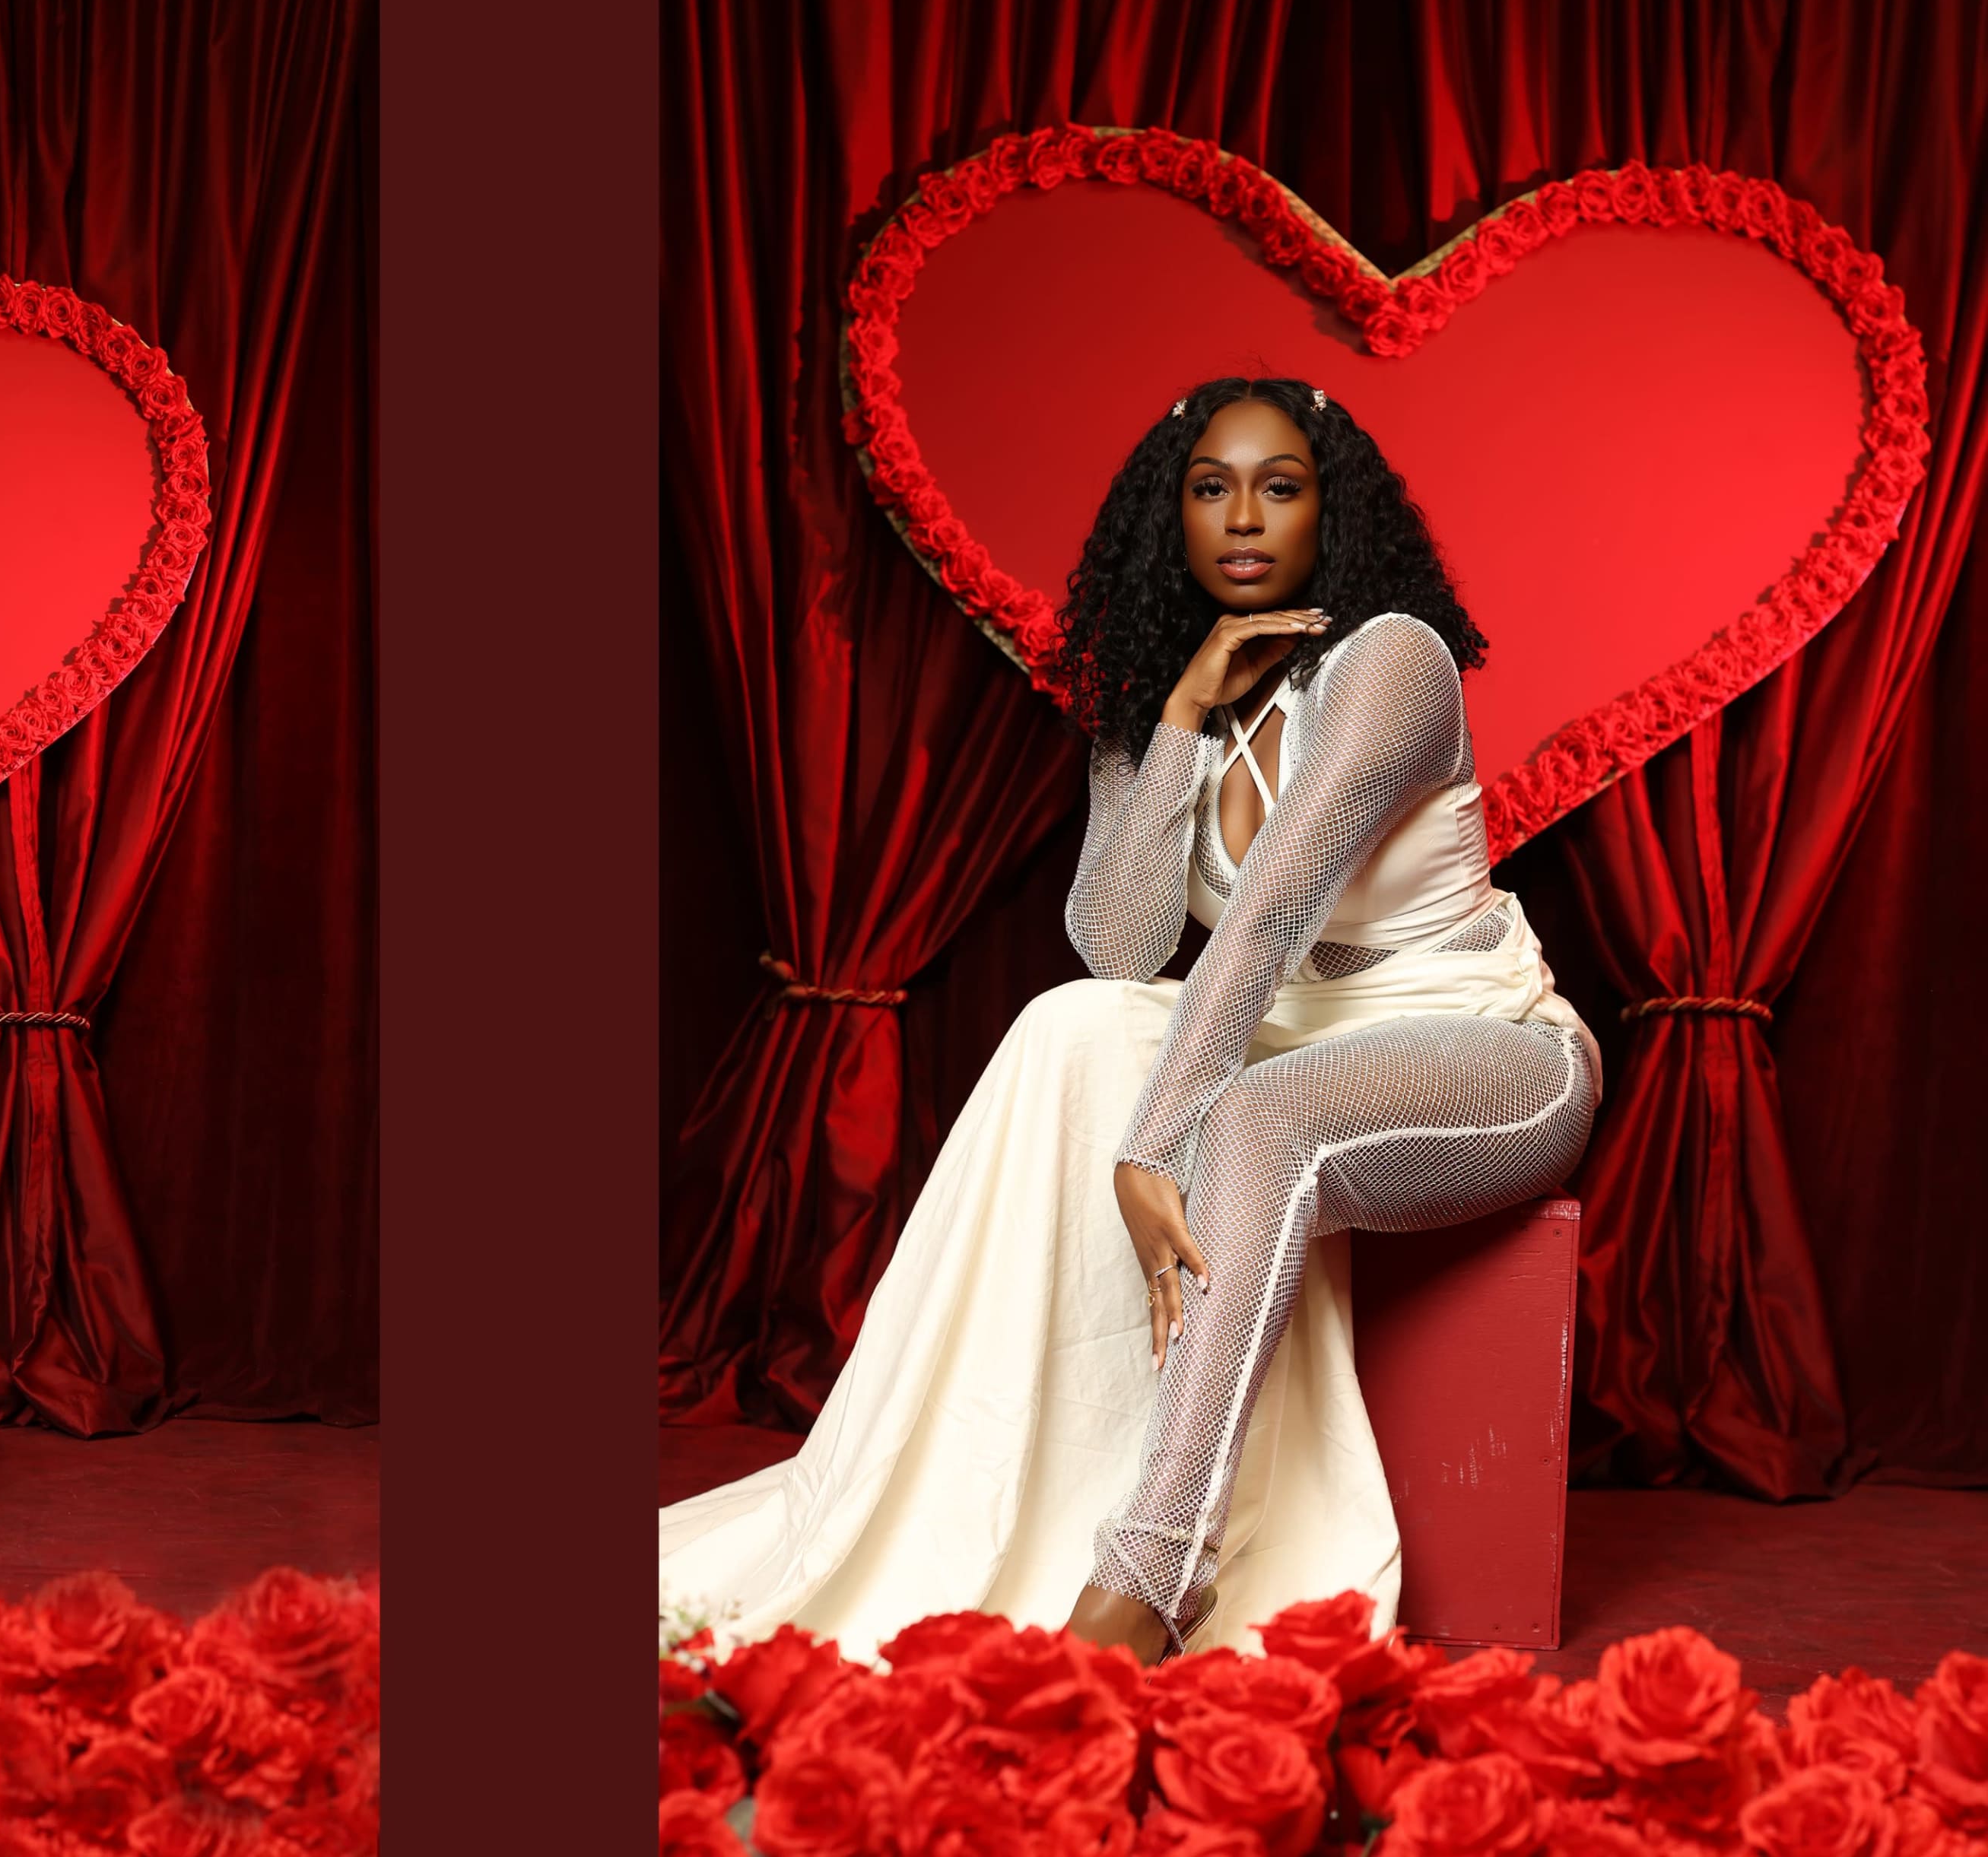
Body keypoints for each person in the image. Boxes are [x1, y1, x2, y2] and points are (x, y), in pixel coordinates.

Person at [655, 374, 1604, 1666]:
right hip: (1298, 1045)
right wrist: (1174, 718)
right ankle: (980, 1465)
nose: (1245, 517)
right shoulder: (1180, 701)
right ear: (1174, 519)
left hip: (1490, 1056)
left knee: (1259, 1114)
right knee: (1068, 1023)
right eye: (1211, 489)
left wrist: (1155, 1142)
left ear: (1336, 511)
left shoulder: (1392, 661)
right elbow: (1118, 946)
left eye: (1282, 486)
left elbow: (1269, 916)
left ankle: (1153, 1578)